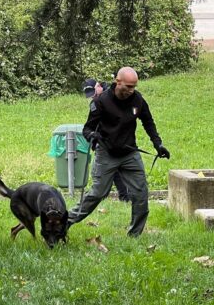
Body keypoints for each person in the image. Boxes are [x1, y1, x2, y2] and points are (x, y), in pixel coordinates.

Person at [68, 67, 170, 236]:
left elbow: (148, 123)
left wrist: (158, 145)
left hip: (129, 153)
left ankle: (135, 234)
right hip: (106, 153)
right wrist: (93, 136)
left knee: (141, 194)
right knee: (97, 194)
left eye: (134, 87)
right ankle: (65, 222)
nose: (131, 90)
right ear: (117, 82)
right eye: (128, 86)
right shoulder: (101, 101)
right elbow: (87, 128)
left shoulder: (138, 100)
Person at [82, 78, 130, 202]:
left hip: (116, 141)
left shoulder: (112, 96)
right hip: (104, 143)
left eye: (93, 93)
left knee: (114, 170)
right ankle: (123, 196)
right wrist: (93, 135)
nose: (92, 97)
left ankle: (123, 196)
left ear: (98, 86)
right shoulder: (96, 101)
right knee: (113, 171)